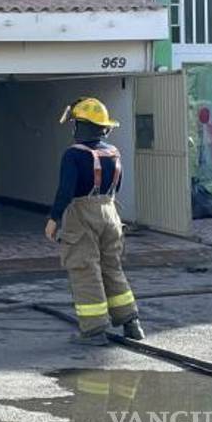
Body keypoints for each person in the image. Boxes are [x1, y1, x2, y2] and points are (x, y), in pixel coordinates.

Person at [44, 97, 145, 346]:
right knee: (111, 266)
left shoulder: (73, 155)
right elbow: (117, 186)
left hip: (82, 215)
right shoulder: (113, 153)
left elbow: (65, 191)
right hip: (110, 212)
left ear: (81, 126)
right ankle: (131, 323)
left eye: (76, 123)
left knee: (84, 268)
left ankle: (94, 330)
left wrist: (53, 219)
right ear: (103, 127)